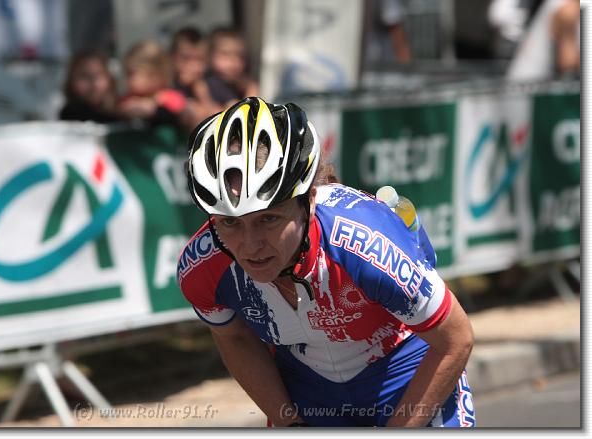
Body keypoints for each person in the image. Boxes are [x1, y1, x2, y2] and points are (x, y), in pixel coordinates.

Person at [178, 97, 476, 427]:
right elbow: (234, 338)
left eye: (269, 219)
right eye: (229, 223)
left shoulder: (366, 248)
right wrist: (290, 422)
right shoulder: (203, 269)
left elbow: (455, 339)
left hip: (404, 370)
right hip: (310, 388)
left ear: (309, 200)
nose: (250, 245)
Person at [117, 40, 188, 128]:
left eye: (131, 74)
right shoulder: (128, 99)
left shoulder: (169, 97)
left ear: (154, 75)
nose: (127, 80)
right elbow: (119, 110)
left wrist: (154, 108)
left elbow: (181, 112)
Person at [171, 27, 220, 126]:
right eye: (185, 58)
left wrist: (201, 93)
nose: (193, 66)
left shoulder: (214, 83)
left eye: (199, 59)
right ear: (173, 57)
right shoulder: (166, 83)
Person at [204, 27, 259, 108]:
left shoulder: (236, 85)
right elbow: (240, 111)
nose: (234, 62)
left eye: (240, 56)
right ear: (209, 56)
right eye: (226, 54)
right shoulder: (212, 83)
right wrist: (251, 90)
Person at [59, 49, 119, 123]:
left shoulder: (121, 110)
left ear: (109, 78)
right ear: (71, 81)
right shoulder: (69, 114)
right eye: (84, 76)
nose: (93, 82)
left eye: (98, 74)